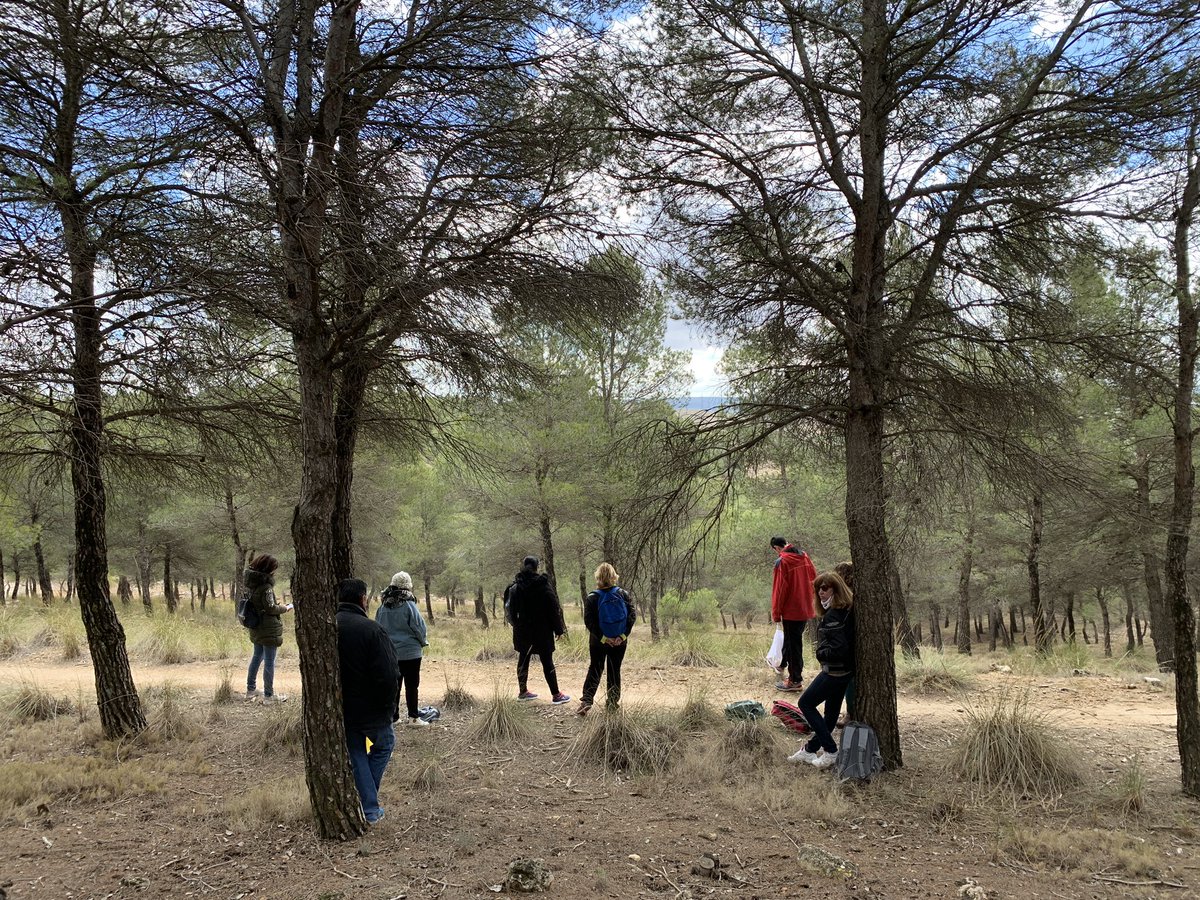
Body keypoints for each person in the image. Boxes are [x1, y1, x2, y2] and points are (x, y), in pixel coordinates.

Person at [336, 578, 399, 824]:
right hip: (372, 708)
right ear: (363, 599)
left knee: (357, 751)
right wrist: (389, 708)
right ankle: (370, 808)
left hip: (342, 708)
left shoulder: (329, 626)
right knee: (384, 745)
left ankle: (367, 805)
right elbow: (389, 674)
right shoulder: (371, 629)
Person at [788, 571, 855, 769]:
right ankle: (809, 750)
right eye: (818, 589)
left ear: (836, 588)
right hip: (845, 672)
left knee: (805, 703)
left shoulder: (833, 615)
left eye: (825, 588)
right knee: (831, 716)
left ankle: (830, 751)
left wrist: (820, 652)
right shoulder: (846, 610)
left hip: (834, 672)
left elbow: (839, 649)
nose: (820, 593)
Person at [505, 555, 570, 704]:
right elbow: (553, 609)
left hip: (522, 631)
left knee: (523, 659)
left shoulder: (515, 587)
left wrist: (517, 625)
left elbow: (510, 611)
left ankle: (523, 692)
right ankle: (556, 695)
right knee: (547, 661)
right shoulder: (543, 585)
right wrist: (558, 630)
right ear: (537, 567)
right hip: (542, 631)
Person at [577, 562, 636, 716]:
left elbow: (589, 622)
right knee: (614, 670)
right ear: (613, 576)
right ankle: (612, 704)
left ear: (598, 578)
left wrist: (603, 638)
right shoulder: (624, 594)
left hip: (598, 641)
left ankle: (587, 701)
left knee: (595, 667)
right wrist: (622, 636)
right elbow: (632, 617)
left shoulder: (592, 597)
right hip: (619, 641)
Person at [375, 570, 429, 726]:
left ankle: (394, 717)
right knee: (412, 685)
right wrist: (423, 641)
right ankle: (413, 718)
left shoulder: (383, 606)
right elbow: (419, 627)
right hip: (411, 653)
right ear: (408, 586)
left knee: (394, 686)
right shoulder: (409, 604)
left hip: (390, 653)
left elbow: (378, 627)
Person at [769, 536, 817, 691]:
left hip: (791, 611)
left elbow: (779, 590)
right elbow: (814, 578)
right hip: (805, 607)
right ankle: (783, 666)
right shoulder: (804, 556)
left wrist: (776, 613)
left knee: (794, 645)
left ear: (777, 548)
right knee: (793, 642)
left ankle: (795, 680)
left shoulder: (782, 562)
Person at [243, 553, 292, 704]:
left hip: (256, 626)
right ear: (268, 569)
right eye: (273, 568)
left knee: (257, 656)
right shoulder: (266, 588)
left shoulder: (251, 584)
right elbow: (271, 608)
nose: (274, 572)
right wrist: (286, 607)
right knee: (269, 661)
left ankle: (250, 690)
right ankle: (269, 696)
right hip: (268, 628)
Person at [833, 560, 857, 726]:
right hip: (845, 644)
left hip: (846, 646)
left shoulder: (847, 597)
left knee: (847, 681)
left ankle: (849, 713)